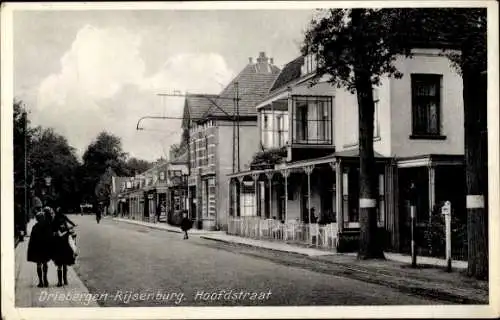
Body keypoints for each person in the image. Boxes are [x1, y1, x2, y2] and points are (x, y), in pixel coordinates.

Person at [50, 207, 77, 287]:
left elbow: (53, 231)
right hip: (65, 244)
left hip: (58, 244)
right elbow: (68, 225)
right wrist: (71, 227)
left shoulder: (54, 220)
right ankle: (65, 280)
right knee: (65, 262)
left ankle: (60, 282)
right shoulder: (63, 218)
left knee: (59, 263)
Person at [27, 211, 53, 287]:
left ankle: (41, 281)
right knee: (45, 263)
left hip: (37, 248)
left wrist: (30, 249)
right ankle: (45, 279)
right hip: (45, 248)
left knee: (38, 264)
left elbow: (32, 240)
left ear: (37, 219)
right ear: (42, 218)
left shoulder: (35, 227)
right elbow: (50, 237)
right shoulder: (47, 226)